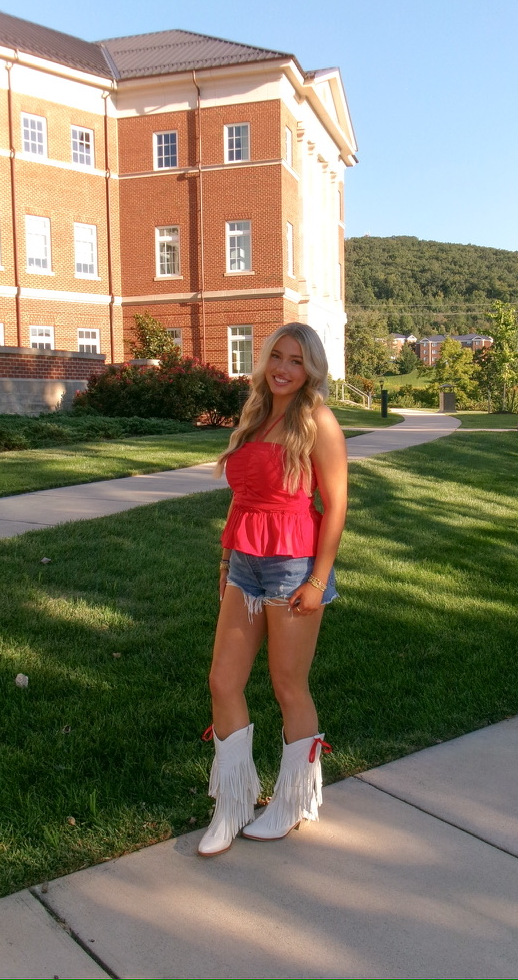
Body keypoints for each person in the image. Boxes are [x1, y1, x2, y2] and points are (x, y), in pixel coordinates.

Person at [198, 322, 348, 857]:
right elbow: (242, 496)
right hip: (245, 563)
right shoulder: (256, 412)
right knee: (223, 681)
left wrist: (317, 580)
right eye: (278, 357)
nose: (284, 369)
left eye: (296, 361)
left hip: (293, 567)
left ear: (311, 369)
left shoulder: (318, 420)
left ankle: (291, 803)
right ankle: (232, 804)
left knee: (288, 687)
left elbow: (335, 505)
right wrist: (225, 558)